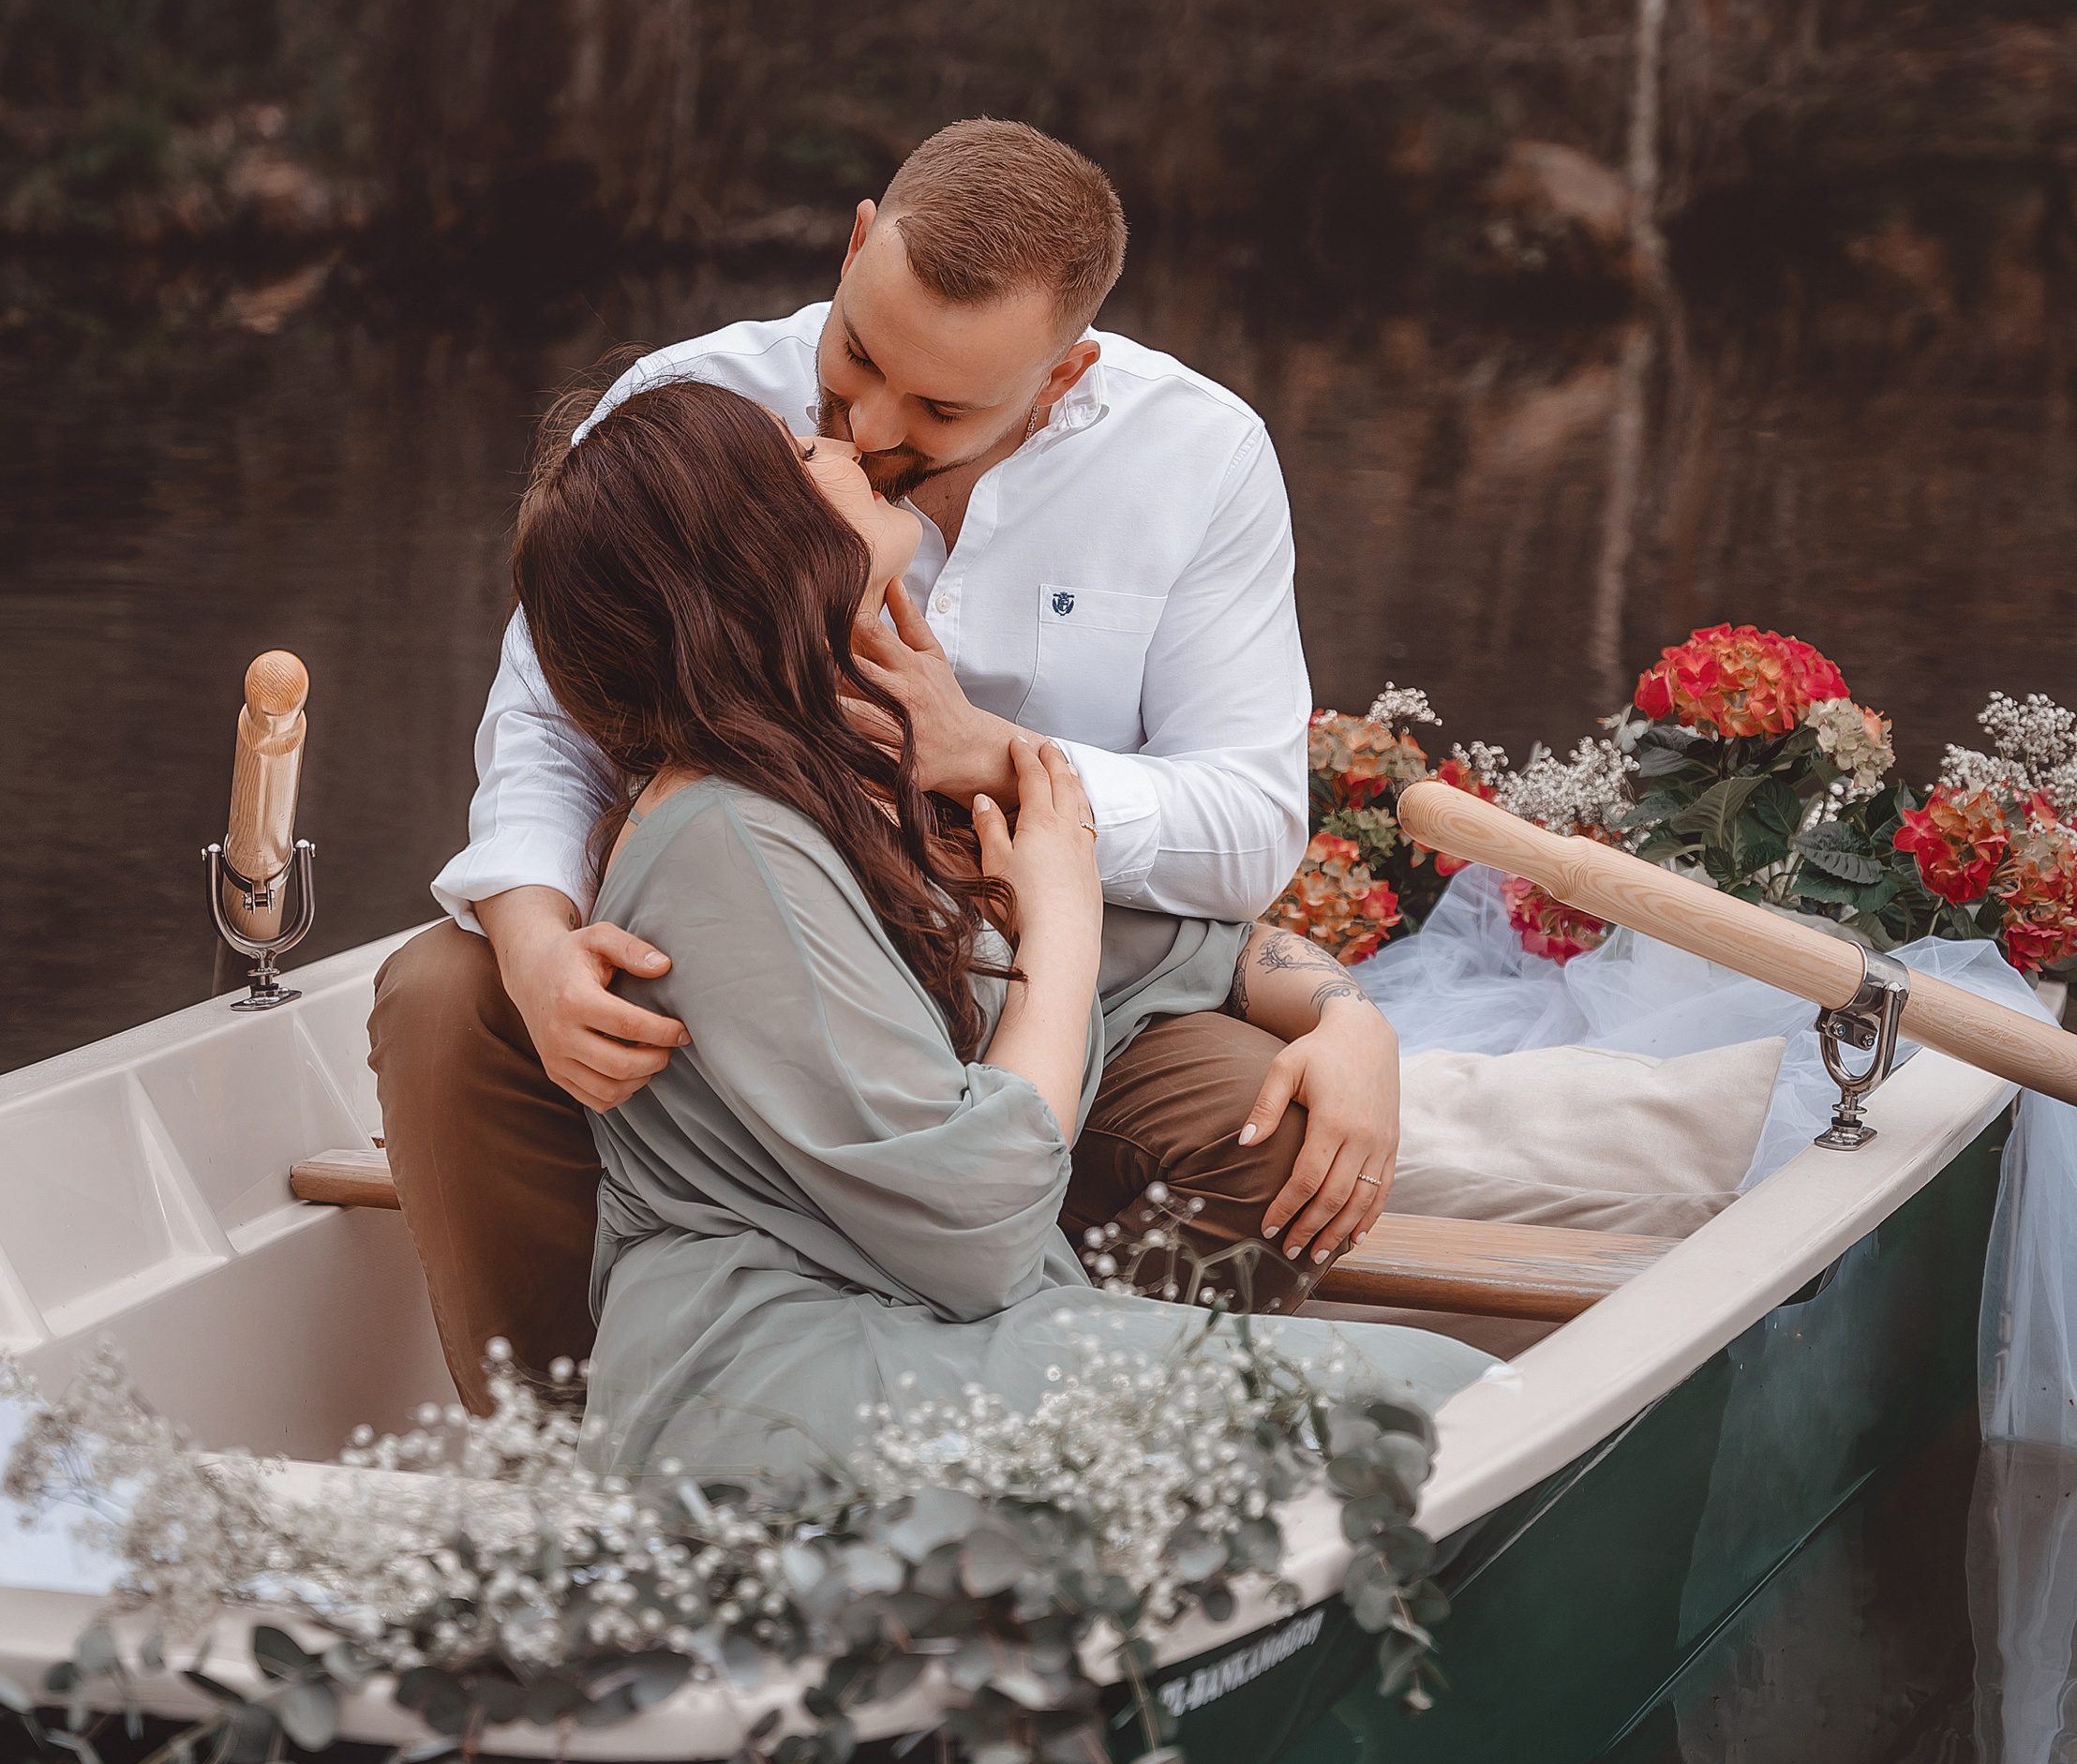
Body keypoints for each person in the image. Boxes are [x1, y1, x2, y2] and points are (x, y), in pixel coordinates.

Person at [374, 116, 1403, 1396]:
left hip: (1025, 957)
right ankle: (546, 1447)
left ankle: (1047, 1386)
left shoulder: (1200, 458)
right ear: (860, 241)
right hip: (756, 965)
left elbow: (1249, 828)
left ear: (1062, 375)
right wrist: (533, 943)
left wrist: (997, 764)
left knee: (1276, 1131)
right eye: (856, 357)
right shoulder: (687, 416)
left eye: (940, 406)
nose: (861, 424)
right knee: (442, 995)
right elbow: (546, 720)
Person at [503, 377, 1486, 1480]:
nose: (843, 446)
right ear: (758, 548)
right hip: (777, 1381)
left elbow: (1184, 950)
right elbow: (976, 1231)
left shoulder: (849, 780)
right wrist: (1055, 921)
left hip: (910, 1334)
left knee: (1450, 1398)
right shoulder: (730, 839)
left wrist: (1347, 1016)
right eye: (797, 452)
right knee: (1451, 1403)